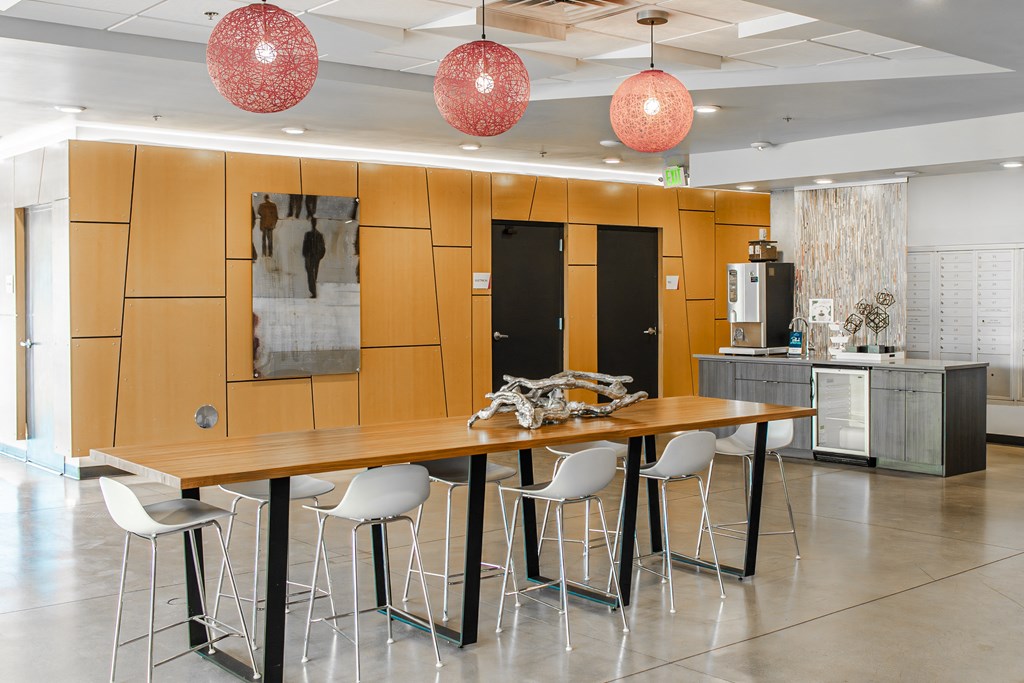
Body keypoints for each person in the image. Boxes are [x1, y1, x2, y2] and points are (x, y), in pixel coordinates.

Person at [302, 216, 327, 298]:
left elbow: (322, 248)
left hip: (312, 257)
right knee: (313, 274)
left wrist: (318, 256)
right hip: (313, 257)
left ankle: (313, 291)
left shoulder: (310, 235)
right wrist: (319, 256)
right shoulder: (318, 235)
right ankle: (313, 291)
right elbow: (323, 248)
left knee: (311, 274)